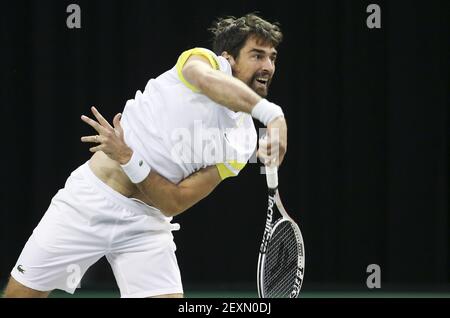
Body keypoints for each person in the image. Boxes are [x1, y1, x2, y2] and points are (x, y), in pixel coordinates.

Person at [3, 13, 287, 298]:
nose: (268, 66)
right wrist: (271, 114)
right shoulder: (200, 62)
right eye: (257, 55)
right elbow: (207, 80)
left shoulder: (245, 140)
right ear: (228, 58)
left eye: (272, 57)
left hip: (146, 223)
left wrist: (129, 158)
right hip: (89, 200)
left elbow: (173, 201)